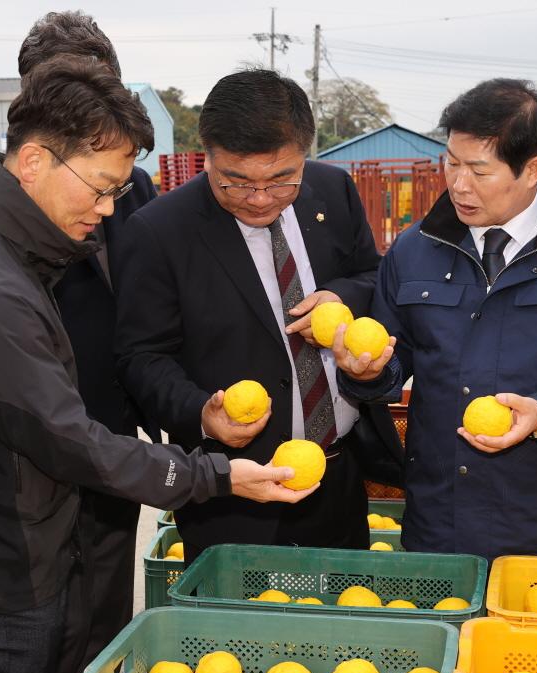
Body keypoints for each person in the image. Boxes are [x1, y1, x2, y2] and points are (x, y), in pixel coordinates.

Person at [0, 60, 311, 673]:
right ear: (38, 159)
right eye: (103, 188)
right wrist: (214, 475)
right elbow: (69, 440)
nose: (109, 210)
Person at [334, 78, 537, 561]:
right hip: (439, 511)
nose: (458, 184)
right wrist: (366, 372)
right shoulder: (414, 248)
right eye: (451, 162)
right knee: (446, 632)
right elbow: (393, 354)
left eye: (478, 170)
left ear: (531, 169)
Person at [116, 69, 402, 559]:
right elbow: (141, 356)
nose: (260, 198)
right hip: (233, 490)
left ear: (305, 156)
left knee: (342, 621)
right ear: (205, 154)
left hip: (338, 470)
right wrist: (201, 414)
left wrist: (339, 298)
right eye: (236, 182)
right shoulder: (160, 231)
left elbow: (371, 276)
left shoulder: (333, 193)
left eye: (281, 179)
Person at [13, 11, 162, 673]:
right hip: (19, 463)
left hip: (109, 453)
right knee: (23, 656)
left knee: (99, 641)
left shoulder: (137, 196)